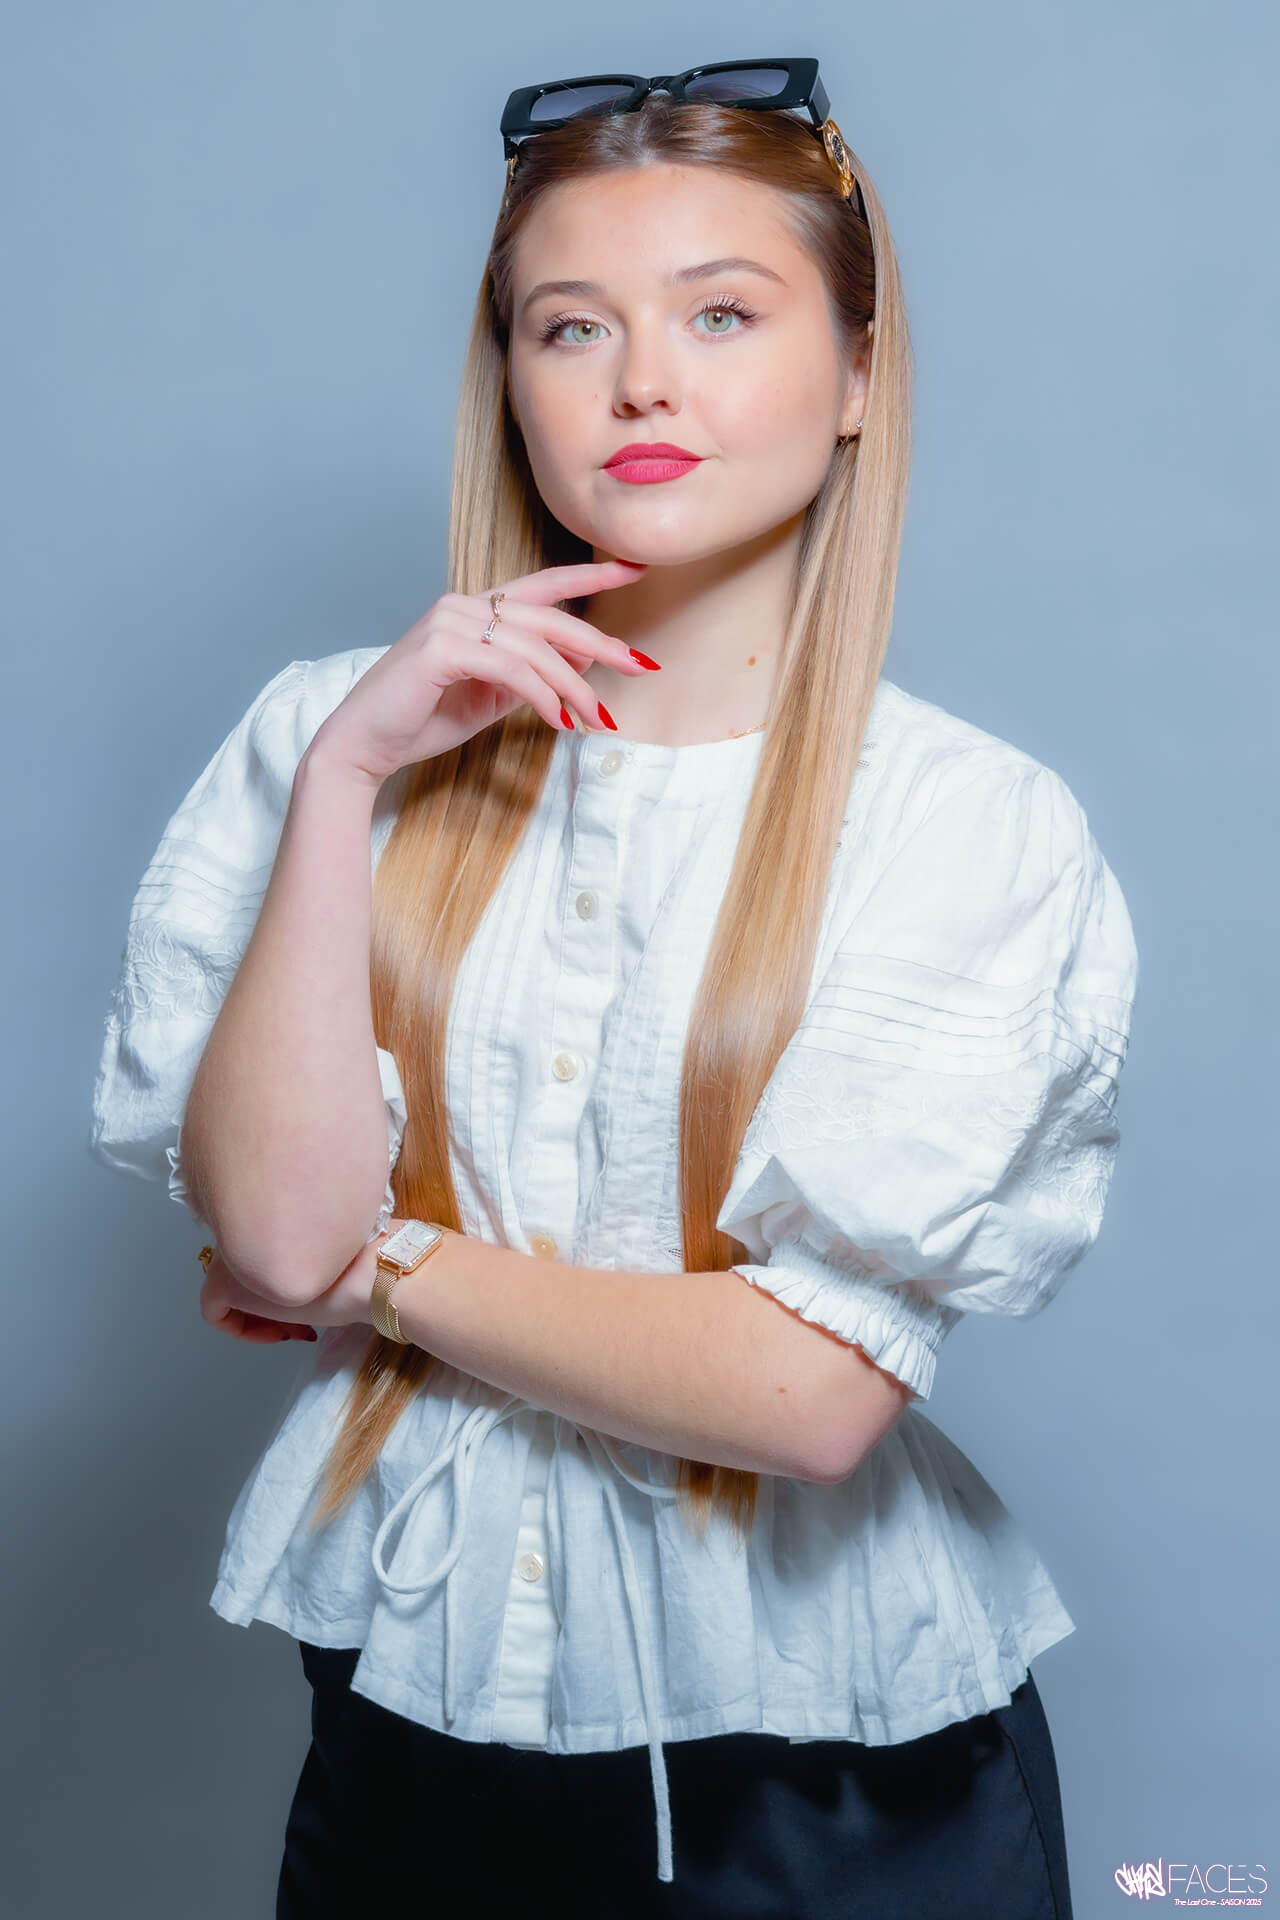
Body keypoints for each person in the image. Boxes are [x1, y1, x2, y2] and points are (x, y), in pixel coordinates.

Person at [88, 59, 1138, 1919]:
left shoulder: (963, 822)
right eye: (570, 326)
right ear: (509, 381)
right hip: (412, 1734)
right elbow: (271, 1232)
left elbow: (803, 1392)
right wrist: (344, 783)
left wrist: (379, 1275)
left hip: (840, 1789)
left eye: (722, 314)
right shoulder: (326, 741)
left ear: (858, 375)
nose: (641, 382)